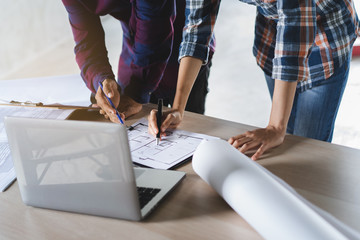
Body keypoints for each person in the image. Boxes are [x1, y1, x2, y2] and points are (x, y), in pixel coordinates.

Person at [149, 0, 360, 160]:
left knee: (306, 149)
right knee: (283, 146)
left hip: (325, 38)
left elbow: (294, 25)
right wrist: (178, 108)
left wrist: (276, 127)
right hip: (273, 32)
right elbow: (196, 30)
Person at [62, 0, 214, 123]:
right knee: (131, 122)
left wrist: (136, 94)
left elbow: (155, 28)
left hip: (187, 45)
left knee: (189, 126)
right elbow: (86, 40)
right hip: (136, 41)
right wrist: (101, 80)